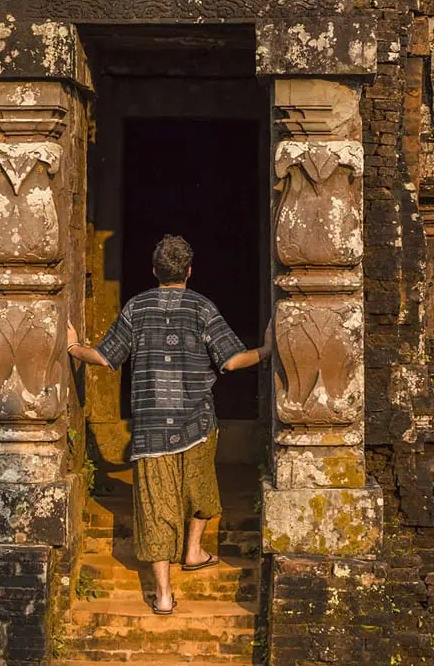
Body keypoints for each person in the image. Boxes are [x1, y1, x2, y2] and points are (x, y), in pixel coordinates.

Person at [67, 234, 272, 615]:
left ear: (154, 270)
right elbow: (230, 362)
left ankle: (163, 594)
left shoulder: (137, 308)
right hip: (196, 422)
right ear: (189, 271)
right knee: (203, 493)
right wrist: (266, 350)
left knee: (155, 508)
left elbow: (105, 358)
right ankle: (193, 550)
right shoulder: (201, 308)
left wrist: (73, 347)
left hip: (149, 430)